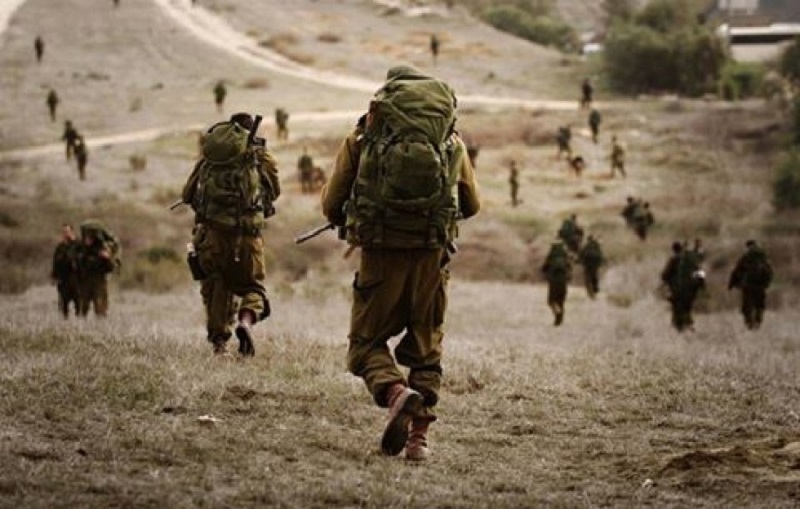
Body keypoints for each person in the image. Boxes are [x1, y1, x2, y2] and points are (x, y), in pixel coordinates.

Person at [320, 66, 480, 462]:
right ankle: (417, 441)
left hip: (380, 254)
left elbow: (331, 203)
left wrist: (350, 216)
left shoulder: (363, 138)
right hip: (431, 256)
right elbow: (472, 204)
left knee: (365, 344)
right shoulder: (451, 142)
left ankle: (394, 392)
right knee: (426, 346)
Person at [182, 112, 280, 357]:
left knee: (216, 285)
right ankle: (245, 322)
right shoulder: (259, 156)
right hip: (246, 238)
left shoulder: (211, 158)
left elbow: (187, 195)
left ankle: (219, 344)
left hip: (211, 236)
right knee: (253, 288)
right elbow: (274, 191)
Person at [729, 240, 773, 330]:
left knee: (747, 305)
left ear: (748, 247)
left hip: (748, 285)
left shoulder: (746, 257)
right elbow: (769, 272)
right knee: (759, 305)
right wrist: (767, 283)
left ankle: (749, 323)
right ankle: (758, 321)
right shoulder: (763, 257)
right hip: (760, 285)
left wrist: (732, 284)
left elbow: (737, 271)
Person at [660, 241, 703, 332]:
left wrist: (666, 281)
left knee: (677, 307)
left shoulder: (674, 259)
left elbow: (665, 275)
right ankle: (688, 324)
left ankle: (681, 326)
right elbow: (700, 272)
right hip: (691, 288)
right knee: (687, 306)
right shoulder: (691, 259)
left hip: (677, 289)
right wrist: (701, 285)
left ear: (673, 250)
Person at [76, 222, 116, 318]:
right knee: (83, 308)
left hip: (99, 281)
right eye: (86, 238)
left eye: (90, 238)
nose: (88, 241)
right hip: (85, 281)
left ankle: (100, 324)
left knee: (100, 308)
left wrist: (107, 258)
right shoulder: (81, 250)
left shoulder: (101, 250)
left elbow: (110, 268)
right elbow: (76, 266)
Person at [51, 224, 82, 318]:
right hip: (63, 277)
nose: (66, 234)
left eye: (67, 231)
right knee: (64, 300)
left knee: (78, 299)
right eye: (64, 232)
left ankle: (79, 318)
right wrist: (54, 276)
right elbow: (55, 262)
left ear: (72, 232)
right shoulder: (60, 247)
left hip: (75, 276)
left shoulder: (78, 245)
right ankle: (65, 319)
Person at [542, 241, 572, 326]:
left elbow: (544, 268)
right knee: (560, 301)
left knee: (551, 301)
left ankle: (557, 313)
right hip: (563, 281)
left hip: (553, 281)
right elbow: (569, 267)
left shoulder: (551, 257)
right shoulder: (565, 257)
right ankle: (559, 320)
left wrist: (546, 273)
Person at [579, 234, 604, 299]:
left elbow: (581, 255)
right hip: (595, 264)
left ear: (588, 240)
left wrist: (580, 261)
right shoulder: (596, 245)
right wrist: (600, 263)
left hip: (587, 265)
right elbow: (600, 255)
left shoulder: (586, 246)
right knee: (594, 276)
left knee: (587, 279)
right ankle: (595, 289)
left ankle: (591, 294)